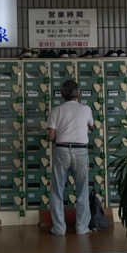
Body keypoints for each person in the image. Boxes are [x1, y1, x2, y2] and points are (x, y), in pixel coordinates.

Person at [47, 79, 94, 236]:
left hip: (62, 150)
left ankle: (59, 229)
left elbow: (51, 136)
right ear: (78, 94)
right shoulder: (86, 109)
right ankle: (82, 228)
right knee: (82, 190)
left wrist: (59, 136)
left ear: (62, 95)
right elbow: (91, 126)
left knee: (57, 191)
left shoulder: (56, 110)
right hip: (81, 151)